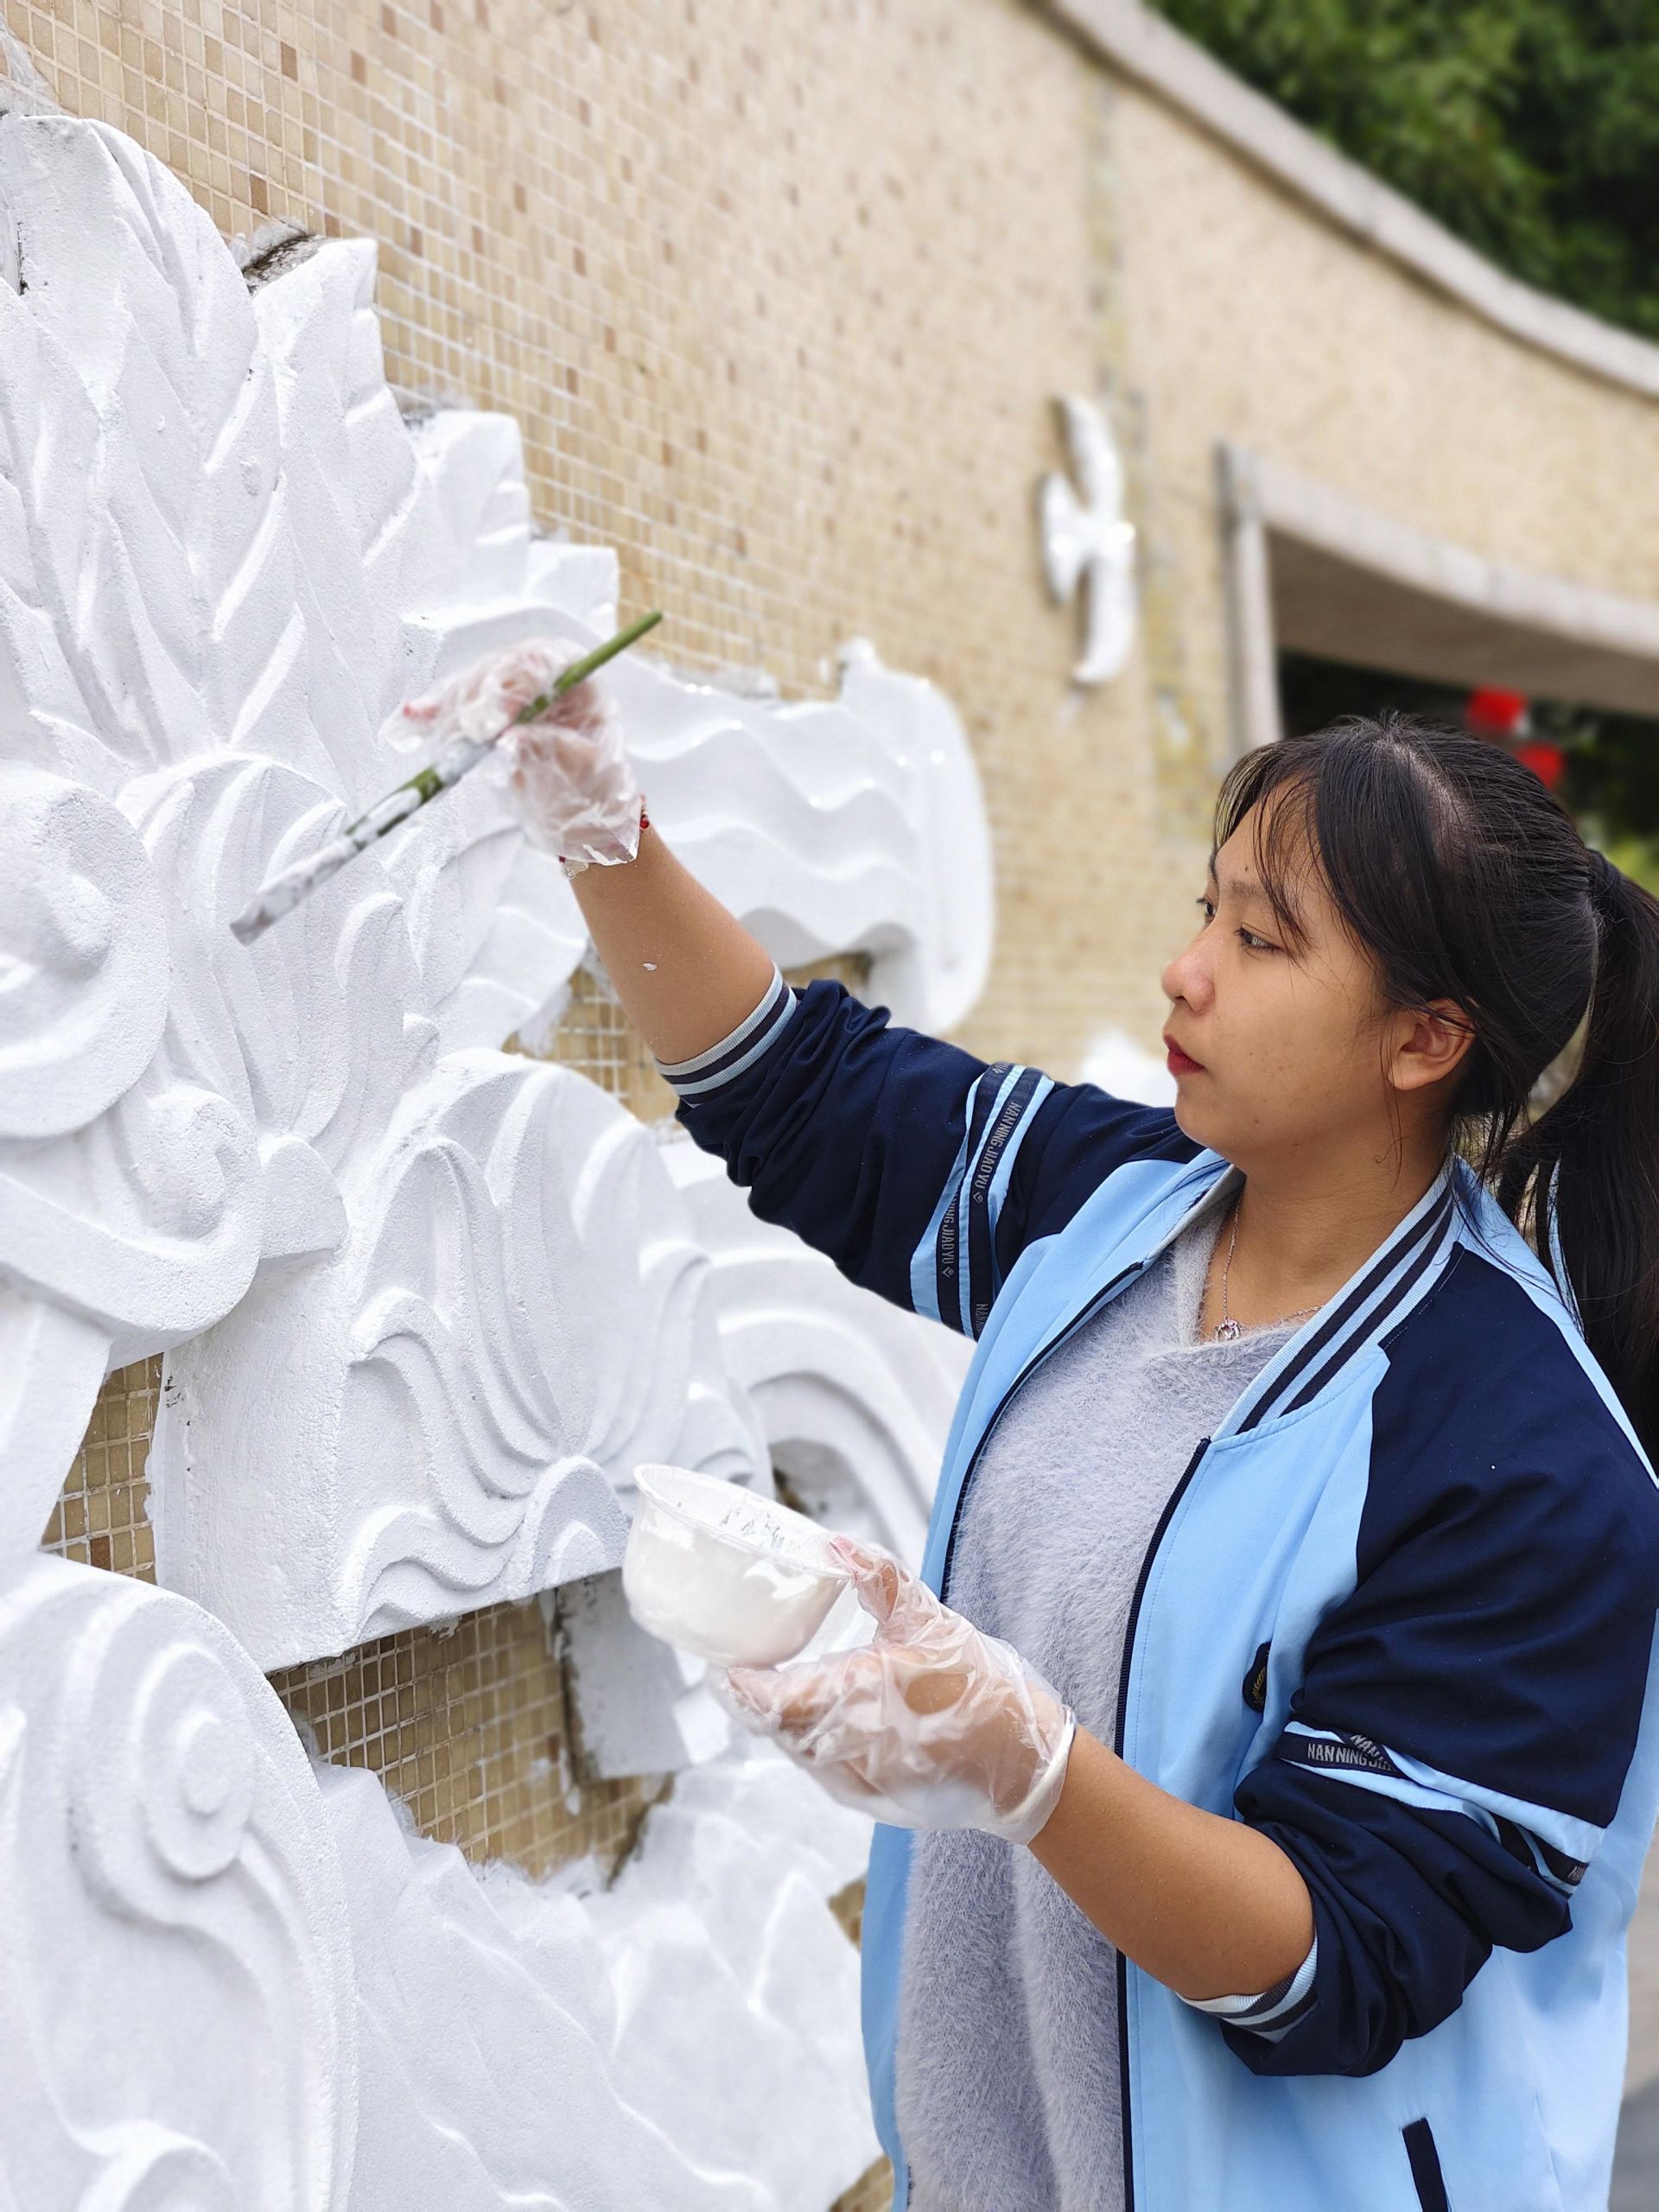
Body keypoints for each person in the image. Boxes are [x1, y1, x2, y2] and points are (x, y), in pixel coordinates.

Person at [480, 650, 1659, 2212]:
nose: (1187, 972)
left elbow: (1337, 1961)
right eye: (1206, 911)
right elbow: (801, 1096)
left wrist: (1029, 1765)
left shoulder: (1529, 1460)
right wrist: (600, 830)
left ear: (1425, 1042)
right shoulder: (1122, 1211)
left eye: (1262, 940)